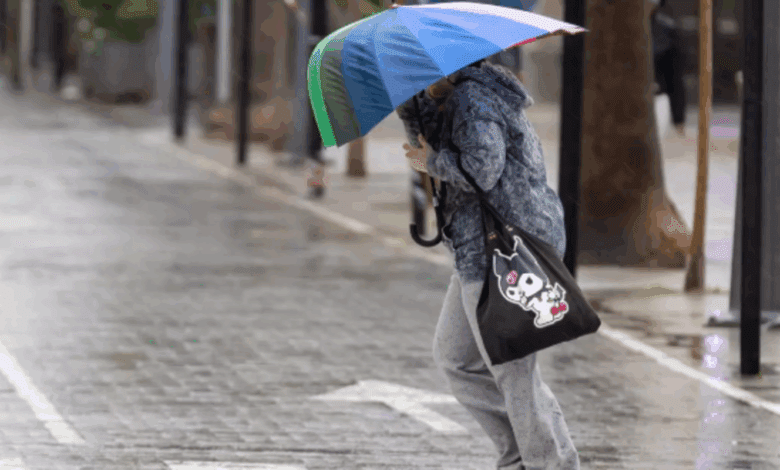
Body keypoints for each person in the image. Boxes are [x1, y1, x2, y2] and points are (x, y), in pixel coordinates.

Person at [398, 60, 579, 470]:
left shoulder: (474, 98)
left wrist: (433, 163)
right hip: (476, 247)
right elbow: (433, 146)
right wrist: (413, 107)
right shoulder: (458, 96)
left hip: (502, 249)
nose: (417, 79)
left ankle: (549, 463)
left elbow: (483, 169)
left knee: (512, 367)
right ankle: (521, 455)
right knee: (457, 359)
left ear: (447, 66)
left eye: (421, 71)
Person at [652, 0, 687, 138]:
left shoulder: (667, 29)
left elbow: (675, 79)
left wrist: (678, 117)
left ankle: (678, 122)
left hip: (657, 92)